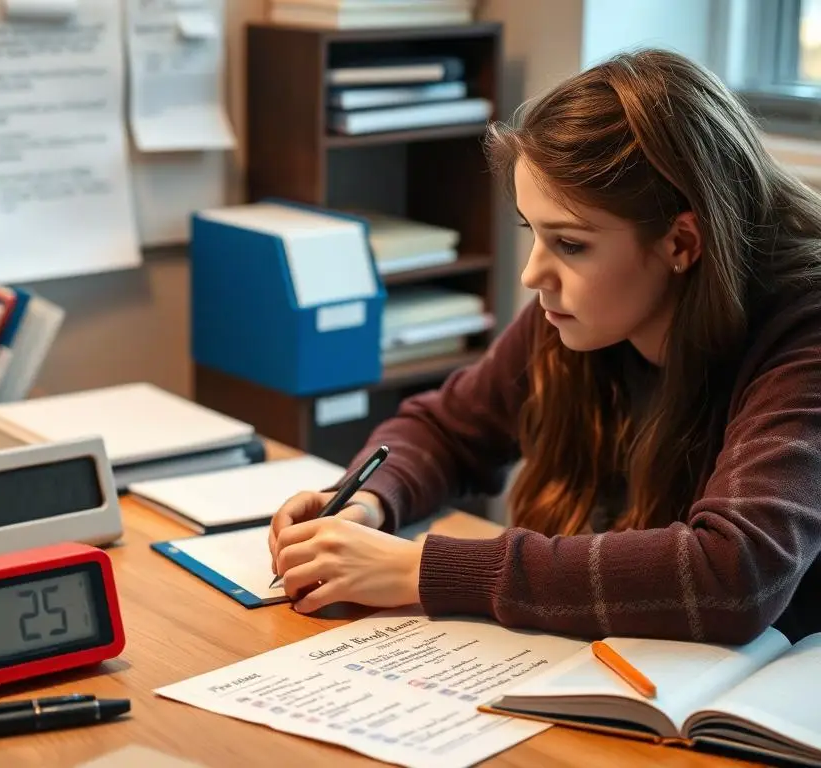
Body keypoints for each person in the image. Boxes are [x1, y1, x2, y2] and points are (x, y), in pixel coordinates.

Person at [268, 48, 821, 645]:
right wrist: (369, 502)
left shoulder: (804, 335)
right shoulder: (582, 311)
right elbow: (446, 430)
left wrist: (421, 568)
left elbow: (733, 574)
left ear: (681, 242)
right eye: (533, 231)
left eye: (571, 244)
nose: (534, 274)